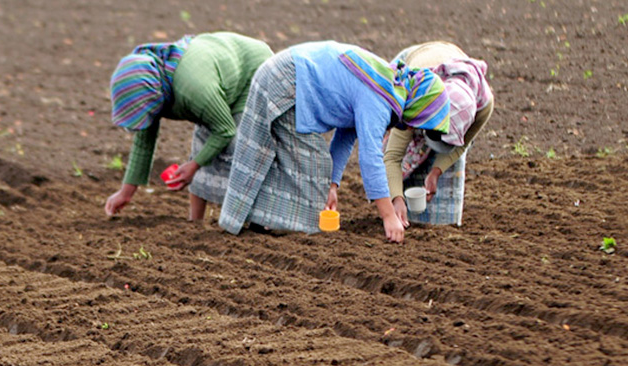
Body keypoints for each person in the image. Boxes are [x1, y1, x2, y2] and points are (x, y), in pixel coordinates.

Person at [217, 41, 450, 242]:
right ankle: (284, 225)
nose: (413, 129)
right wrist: (388, 216)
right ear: (417, 108)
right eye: (420, 122)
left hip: (284, 73)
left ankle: (261, 219)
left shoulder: (387, 84)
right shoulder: (380, 98)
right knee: (314, 163)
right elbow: (371, 159)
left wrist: (333, 184)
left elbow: (345, 136)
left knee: (305, 161)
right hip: (286, 78)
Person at [104, 33, 273, 222]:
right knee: (202, 145)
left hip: (252, 69)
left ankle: (255, 219)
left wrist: (194, 165)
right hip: (214, 75)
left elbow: (225, 130)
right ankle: (195, 222)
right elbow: (144, 143)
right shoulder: (155, 88)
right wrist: (125, 193)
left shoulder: (193, 90)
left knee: (238, 150)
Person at [384, 41, 494, 227]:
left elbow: (462, 144)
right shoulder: (413, 93)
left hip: (451, 58)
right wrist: (396, 199)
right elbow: (392, 156)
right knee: (393, 147)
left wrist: (436, 172)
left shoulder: (483, 105)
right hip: (415, 62)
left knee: (447, 193)